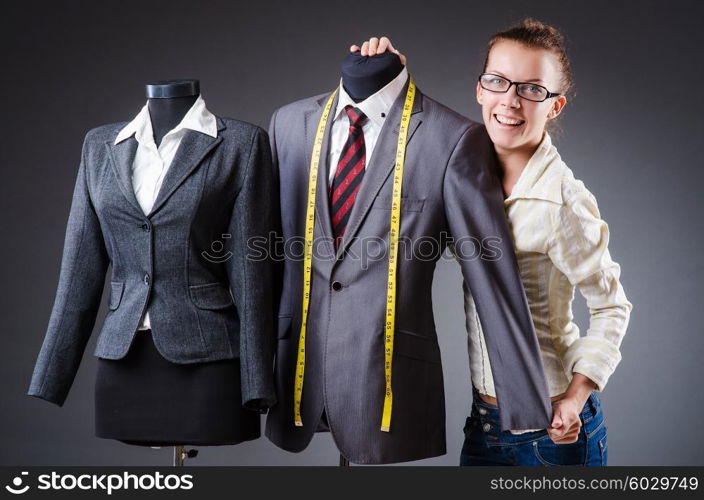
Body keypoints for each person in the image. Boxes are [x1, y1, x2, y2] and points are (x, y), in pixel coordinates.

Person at [351, 20, 632, 466]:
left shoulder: (562, 201)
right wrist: (392, 76)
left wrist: (575, 400)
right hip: (484, 424)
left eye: (531, 89)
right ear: (480, 89)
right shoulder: (463, 170)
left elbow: (612, 307)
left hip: (551, 428)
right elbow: (419, 128)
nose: (510, 100)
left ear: (555, 106)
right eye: (498, 81)